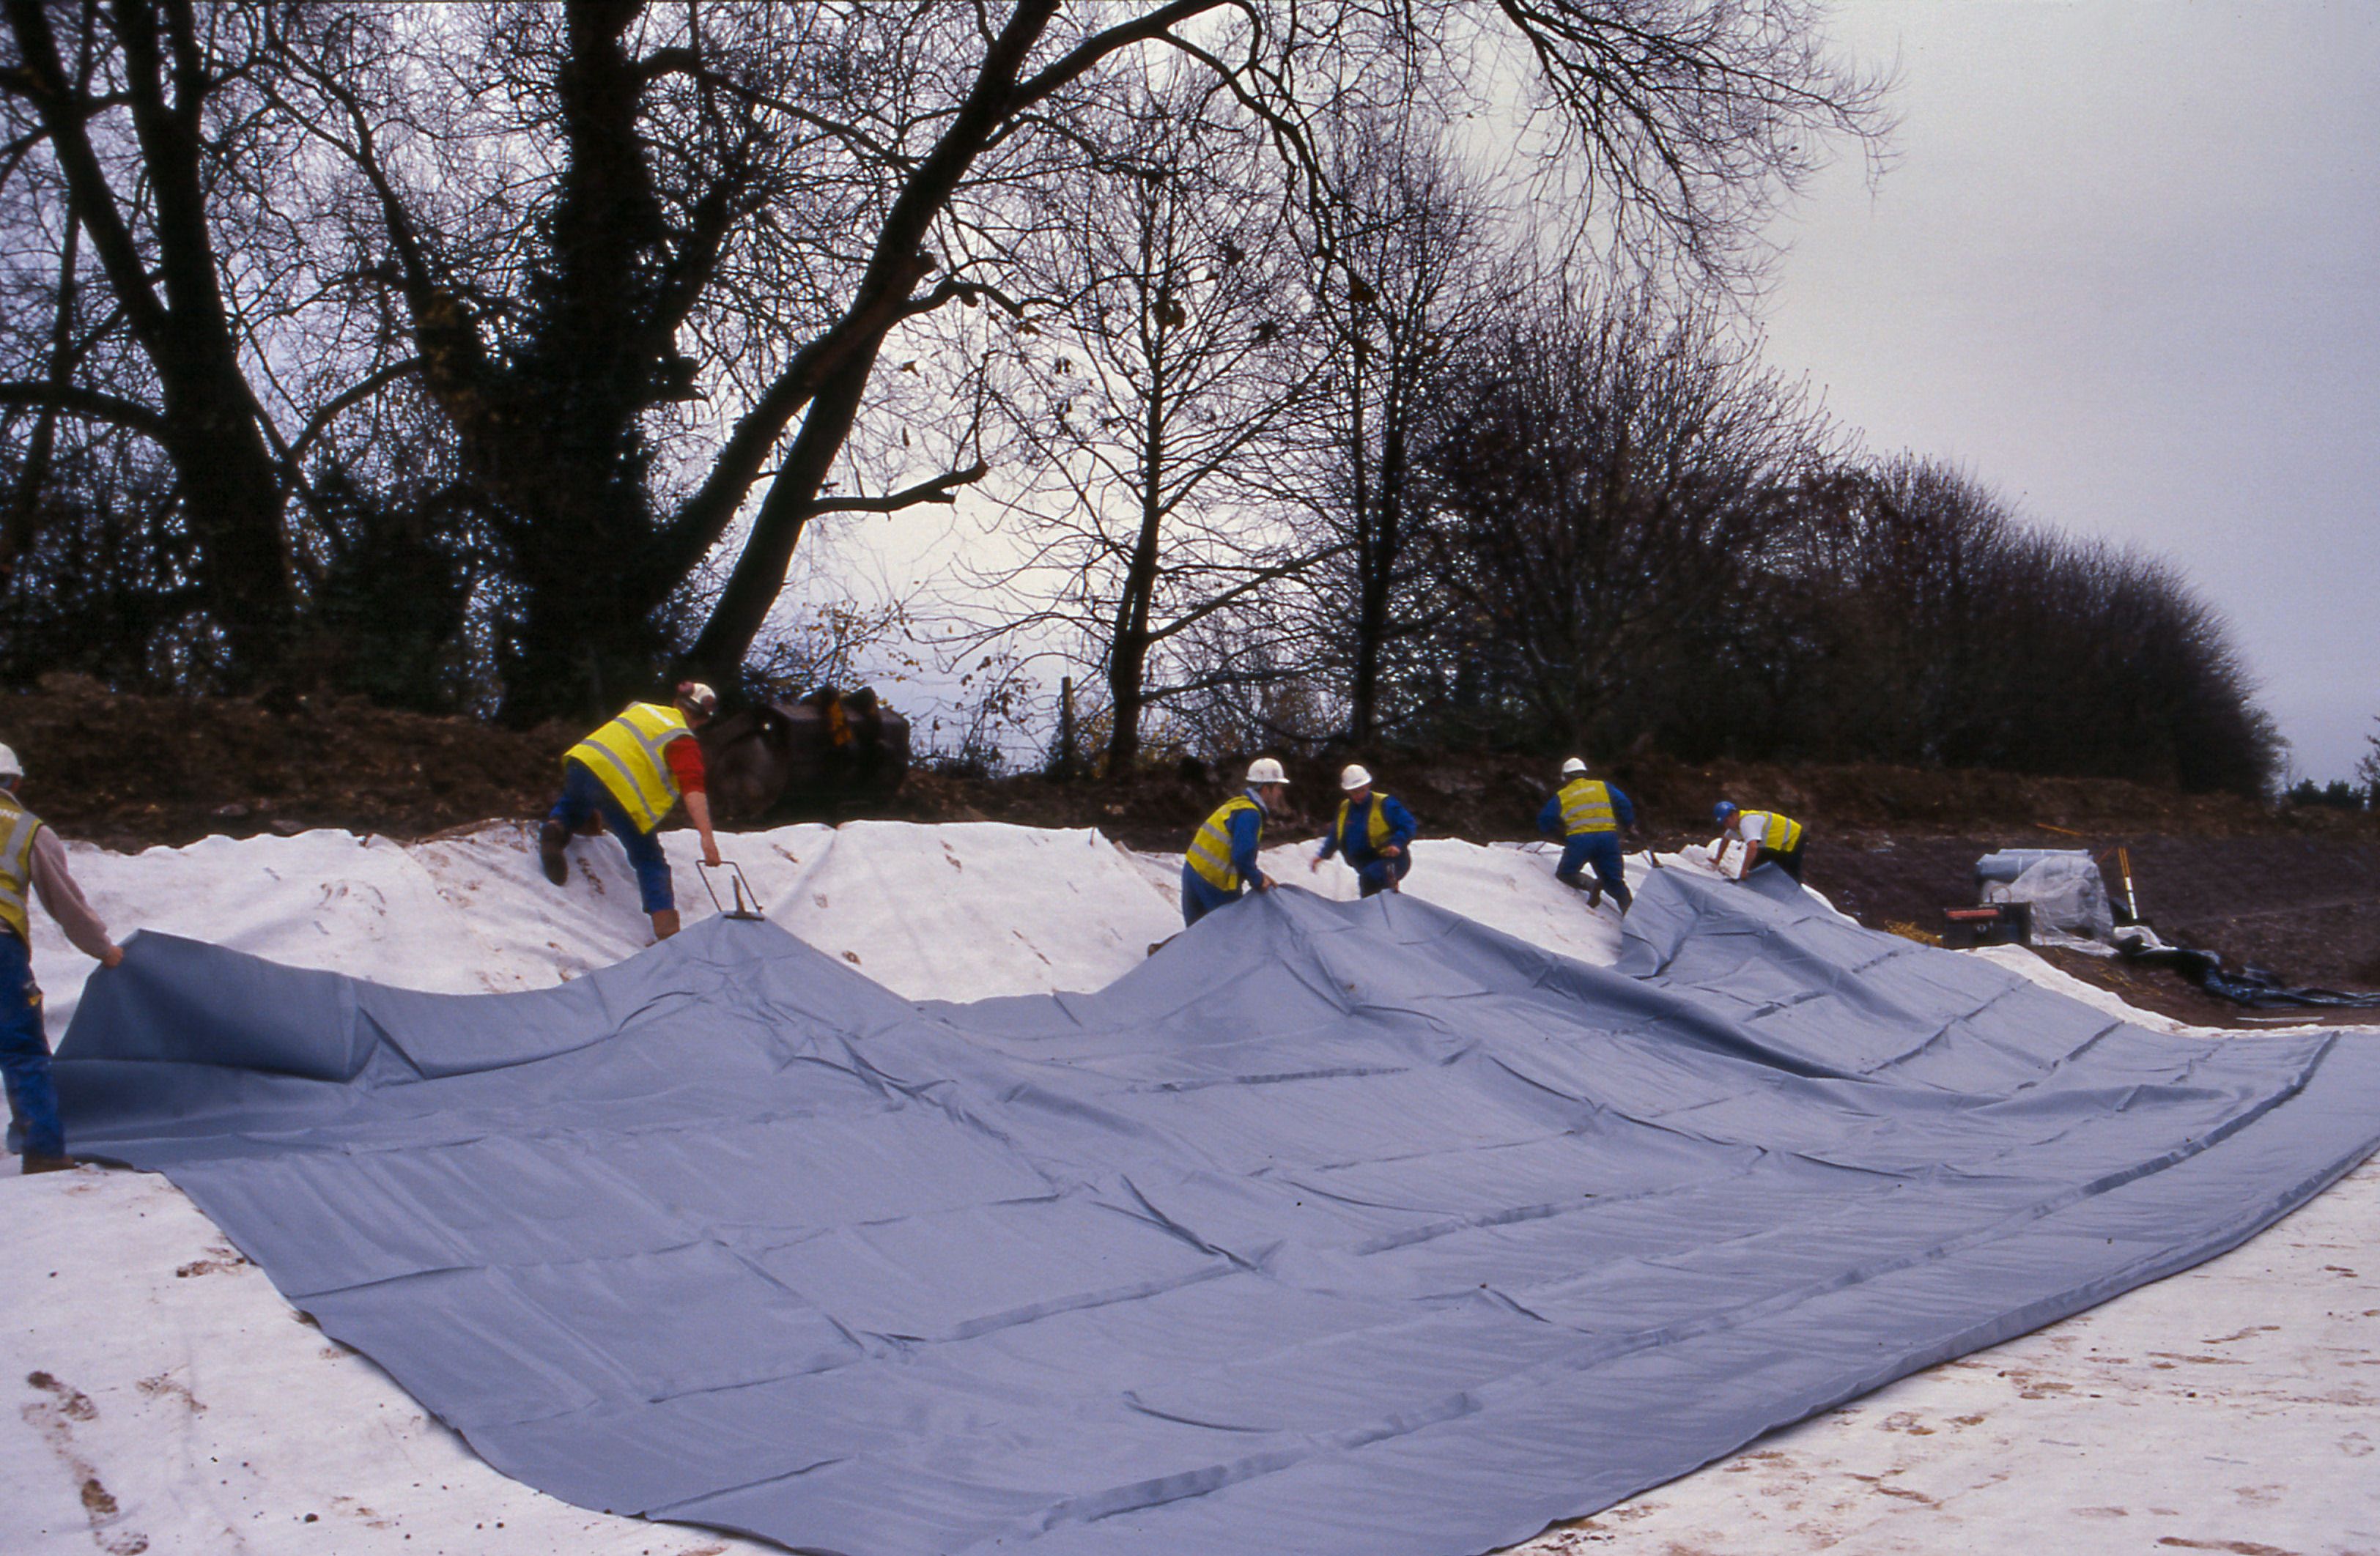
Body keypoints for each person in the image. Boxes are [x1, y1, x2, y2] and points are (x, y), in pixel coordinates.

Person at [0, 743, 126, 1174]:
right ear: (14, 782)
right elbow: (67, 905)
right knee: (22, 1050)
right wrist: (104, 950)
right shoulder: (27, 831)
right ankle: (45, 1154)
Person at [540, 683, 724, 940]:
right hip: (621, 794)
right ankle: (666, 929)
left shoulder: (640, 708)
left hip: (584, 762)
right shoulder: (682, 740)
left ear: (676, 701)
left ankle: (555, 828)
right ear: (702, 719)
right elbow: (693, 789)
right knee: (650, 860)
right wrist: (707, 837)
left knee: (576, 801)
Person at [1182, 757, 1290, 927]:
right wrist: (1258, 880)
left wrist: (1258, 875)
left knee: (1197, 935)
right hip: (1215, 882)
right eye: (1278, 787)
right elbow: (1242, 855)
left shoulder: (1236, 805)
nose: (1280, 793)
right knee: (1232, 935)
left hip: (1192, 872)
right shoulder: (1250, 814)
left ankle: (1164, 951)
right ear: (1266, 789)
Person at [1537, 756, 1637, 911]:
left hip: (1580, 840)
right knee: (1615, 881)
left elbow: (1545, 820)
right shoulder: (1603, 787)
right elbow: (1624, 803)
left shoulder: (1563, 795)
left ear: (1566, 777)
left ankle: (1591, 884)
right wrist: (1628, 823)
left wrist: (1557, 835)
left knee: (1566, 872)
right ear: (1584, 772)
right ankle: (1633, 918)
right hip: (1608, 839)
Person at [1309, 764, 1416, 898]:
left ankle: (1377, 912)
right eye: (1354, 791)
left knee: (1370, 880)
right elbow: (1336, 834)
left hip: (1392, 860)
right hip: (1365, 864)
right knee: (1372, 884)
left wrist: (1397, 843)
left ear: (1369, 785)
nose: (1358, 795)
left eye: (1362, 790)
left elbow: (1408, 824)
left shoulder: (1385, 803)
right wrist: (1323, 855)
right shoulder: (1345, 809)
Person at [1712, 799, 1807, 883]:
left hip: (1794, 838)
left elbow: (1753, 847)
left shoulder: (1747, 823)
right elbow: (1726, 839)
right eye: (1723, 823)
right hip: (1778, 844)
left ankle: (1793, 898)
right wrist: (1718, 859)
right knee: (1757, 870)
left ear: (1733, 815)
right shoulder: (1736, 826)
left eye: (1726, 821)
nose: (1726, 825)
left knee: (1790, 875)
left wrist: (1743, 871)